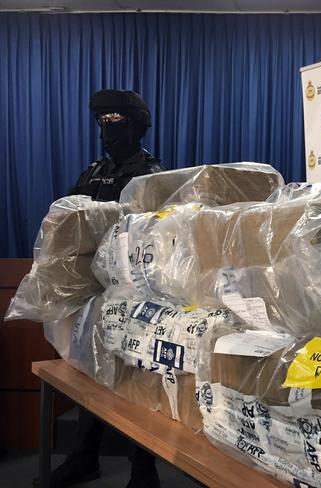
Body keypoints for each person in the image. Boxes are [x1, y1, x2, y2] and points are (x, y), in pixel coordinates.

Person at [45, 89, 164, 488]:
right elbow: (67, 223)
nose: (108, 130)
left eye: (116, 121)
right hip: (91, 292)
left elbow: (157, 235)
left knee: (140, 377)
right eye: (102, 122)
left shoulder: (151, 174)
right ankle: (84, 458)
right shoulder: (93, 172)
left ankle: (143, 471)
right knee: (89, 372)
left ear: (136, 125)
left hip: (135, 292)